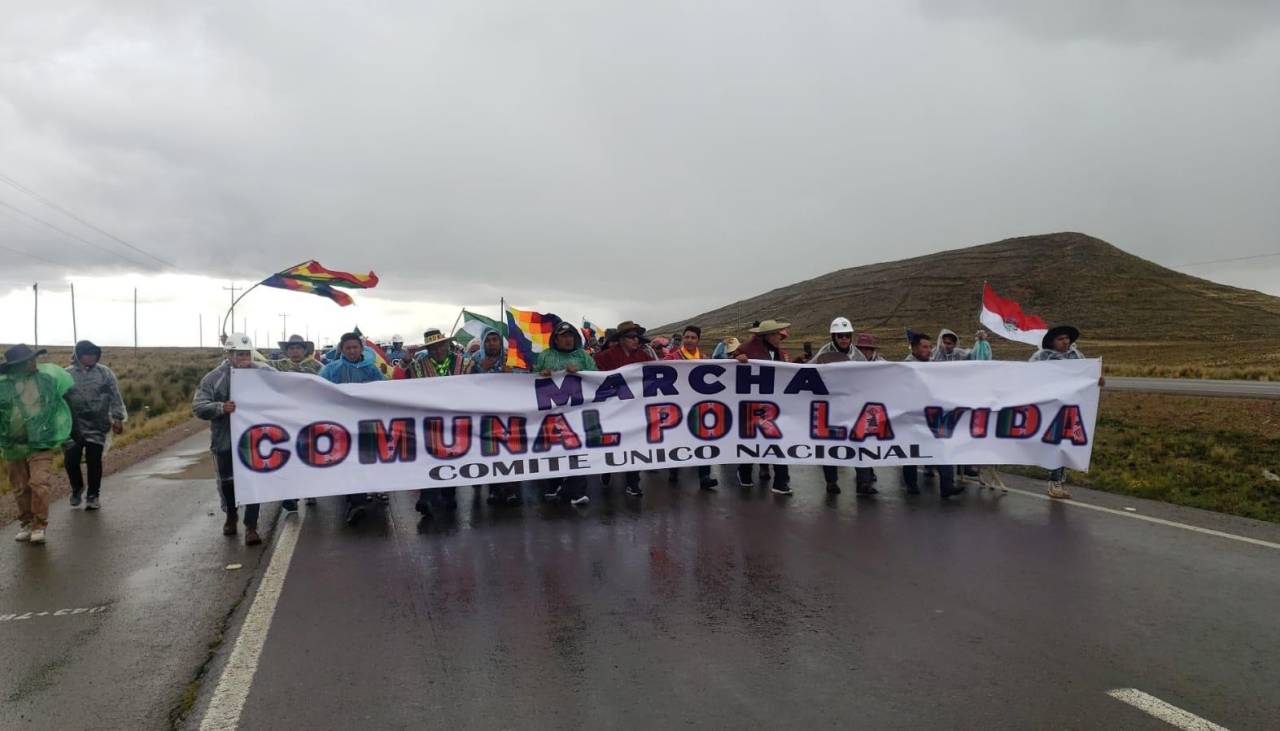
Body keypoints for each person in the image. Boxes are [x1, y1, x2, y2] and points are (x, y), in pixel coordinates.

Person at [193, 334, 286, 545]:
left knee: (253, 481)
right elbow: (198, 406)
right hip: (224, 440)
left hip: (255, 440)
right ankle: (231, 515)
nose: (243, 358)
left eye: (246, 353)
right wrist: (220, 407)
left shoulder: (263, 373)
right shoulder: (213, 378)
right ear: (228, 354)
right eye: (239, 354)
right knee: (228, 483)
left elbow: (283, 388)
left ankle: (251, 526)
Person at [1, 344, 75, 545]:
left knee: (39, 483)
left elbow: (57, 407)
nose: (34, 363)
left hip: (41, 442)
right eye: (29, 360)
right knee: (20, 487)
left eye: (34, 358)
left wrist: (60, 434)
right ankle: (26, 523)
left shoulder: (46, 381)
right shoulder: (3, 387)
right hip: (13, 445)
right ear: (17, 365)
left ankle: (39, 526)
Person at [1030, 325, 1106, 499]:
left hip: (1070, 406)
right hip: (1048, 407)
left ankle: (1057, 481)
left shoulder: (1076, 356)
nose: (1065, 342)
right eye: (1060, 339)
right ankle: (1054, 480)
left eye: (1067, 338)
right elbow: (1029, 378)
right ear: (1052, 342)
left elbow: (1086, 377)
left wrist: (1097, 380)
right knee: (1054, 442)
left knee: (1064, 442)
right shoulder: (1040, 357)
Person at [318, 332, 386, 523]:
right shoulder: (331, 370)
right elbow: (318, 391)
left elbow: (386, 391)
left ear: (361, 349)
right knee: (348, 463)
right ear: (342, 349)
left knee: (366, 459)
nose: (352, 351)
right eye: (348, 348)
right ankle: (356, 502)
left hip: (367, 426)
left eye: (355, 347)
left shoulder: (372, 370)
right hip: (342, 427)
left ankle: (365, 495)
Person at [535, 322, 596, 505]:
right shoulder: (545, 356)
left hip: (577, 412)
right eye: (563, 336)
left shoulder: (583, 356)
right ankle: (553, 485)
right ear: (556, 339)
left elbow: (597, 376)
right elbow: (531, 377)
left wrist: (582, 372)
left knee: (576, 448)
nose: (568, 339)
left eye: (571, 335)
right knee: (554, 448)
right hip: (551, 413)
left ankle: (577, 492)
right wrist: (541, 374)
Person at [595, 321, 656, 498]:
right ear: (621, 339)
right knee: (612, 442)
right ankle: (606, 470)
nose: (636, 340)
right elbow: (593, 375)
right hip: (611, 408)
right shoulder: (605, 357)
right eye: (631, 337)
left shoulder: (644, 356)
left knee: (634, 443)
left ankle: (633, 483)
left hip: (635, 409)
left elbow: (658, 372)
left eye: (637, 337)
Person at [63, 340, 127, 510]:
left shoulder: (104, 373)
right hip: (72, 425)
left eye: (94, 353)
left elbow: (115, 395)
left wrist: (118, 418)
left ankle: (93, 495)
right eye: (87, 354)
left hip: (97, 424)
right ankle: (77, 488)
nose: (91, 357)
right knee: (71, 460)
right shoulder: (66, 375)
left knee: (94, 460)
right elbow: (59, 399)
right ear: (78, 355)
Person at [901, 333, 964, 499]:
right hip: (913, 417)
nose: (929, 350)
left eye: (930, 347)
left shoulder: (935, 367)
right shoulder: (905, 367)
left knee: (943, 446)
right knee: (911, 452)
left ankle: (947, 485)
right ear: (914, 348)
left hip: (933, 417)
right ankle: (911, 484)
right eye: (924, 347)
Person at [735, 319, 793, 495]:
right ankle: (744, 474)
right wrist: (736, 359)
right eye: (776, 333)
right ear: (767, 335)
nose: (779, 336)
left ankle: (780, 481)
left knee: (777, 441)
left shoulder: (778, 353)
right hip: (752, 404)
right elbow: (729, 366)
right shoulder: (747, 349)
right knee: (751, 440)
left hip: (773, 406)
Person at [467, 327, 523, 506]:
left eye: (495, 340)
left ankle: (512, 489)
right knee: (491, 451)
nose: (492, 343)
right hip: (486, 413)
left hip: (510, 412)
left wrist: (512, 374)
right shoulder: (475, 359)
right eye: (488, 340)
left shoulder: (511, 357)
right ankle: (494, 489)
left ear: (500, 341)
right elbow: (462, 381)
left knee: (511, 450)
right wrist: (479, 370)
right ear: (483, 342)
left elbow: (527, 378)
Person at [658, 325, 719, 490]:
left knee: (704, 438)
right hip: (678, 405)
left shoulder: (705, 359)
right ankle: (674, 469)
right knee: (678, 438)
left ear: (698, 340)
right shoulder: (673, 357)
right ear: (683, 339)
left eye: (693, 337)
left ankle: (704, 475)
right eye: (687, 337)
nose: (690, 340)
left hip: (699, 406)